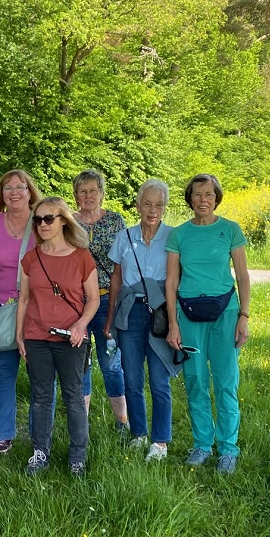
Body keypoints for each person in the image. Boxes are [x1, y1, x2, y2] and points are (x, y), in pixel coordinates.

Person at [164, 174, 251, 474]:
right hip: (188, 315)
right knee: (196, 380)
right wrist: (173, 324)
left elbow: (242, 276)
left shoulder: (230, 230)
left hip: (226, 313)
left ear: (217, 197)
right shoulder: (178, 235)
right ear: (189, 199)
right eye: (198, 194)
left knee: (226, 381)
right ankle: (202, 444)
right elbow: (172, 281)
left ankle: (228, 448)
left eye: (209, 194)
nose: (203, 199)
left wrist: (244, 317)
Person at [16, 197, 98, 477]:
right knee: (40, 397)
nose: (42, 224)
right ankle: (40, 452)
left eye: (48, 218)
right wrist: (19, 335)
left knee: (73, 396)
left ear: (63, 220)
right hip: (37, 336)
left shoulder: (81, 256)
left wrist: (81, 325)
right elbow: (24, 299)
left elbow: (94, 300)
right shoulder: (31, 257)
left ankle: (78, 457)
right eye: (37, 220)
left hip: (71, 338)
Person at [105, 179, 180, 462]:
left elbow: (178, 281)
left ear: (165, 207)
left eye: (159, 204)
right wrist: (110, 319)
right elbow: (116, 278)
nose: (153, 210)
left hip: (161, 311)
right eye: (147, 204)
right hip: (130, 312)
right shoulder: (124, 236)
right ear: (137, 205)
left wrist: (175, 321)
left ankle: (160, 442)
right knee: (132, 377)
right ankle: (139, 434)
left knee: (160, 381)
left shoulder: (174, 237)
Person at [0, 170, 41, 453]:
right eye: (8, 188)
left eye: (20, 187)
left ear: (30, 192)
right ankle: (3, 432)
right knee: (1, 375)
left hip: (37, 310)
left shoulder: (43, 223)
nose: (14, 192)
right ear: (0, 194)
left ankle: (41, 434)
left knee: (41, 375)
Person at [73, 170, 127, 427]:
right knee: (80, 362)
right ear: (76, 195)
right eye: (83, 191)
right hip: (76, 303)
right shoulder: (69, 222)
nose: (88, 196)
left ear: (102, 194)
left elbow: (124, 263)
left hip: (108, 299)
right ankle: (81, 423)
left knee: (111, 362)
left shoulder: (116, 221)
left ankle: (122, 419)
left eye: (94, 190)